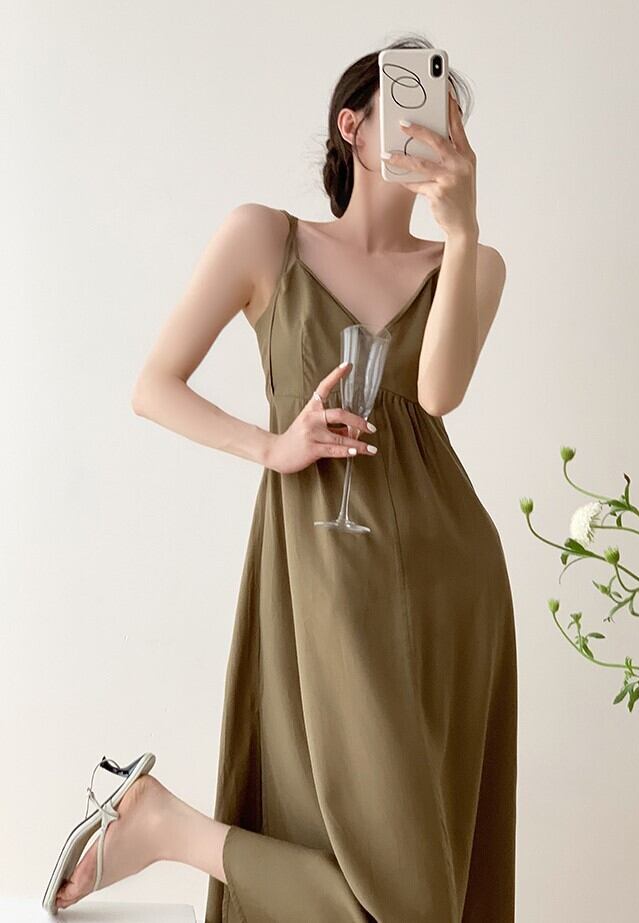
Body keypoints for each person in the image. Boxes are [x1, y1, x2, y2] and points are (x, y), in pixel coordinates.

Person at [52, 35, 516, 922]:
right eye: (409, 106)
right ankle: (167, 827)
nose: (431, 128)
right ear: (352, 127)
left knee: (433, 877)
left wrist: (460, 228)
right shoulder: (266, 237)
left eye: (447, 116)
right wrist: (271, 446)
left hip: (454, 578)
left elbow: (438, 393)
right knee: (398, 891)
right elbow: (154, 386)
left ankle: (169, 828)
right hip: (323, 564)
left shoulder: (474, 264)